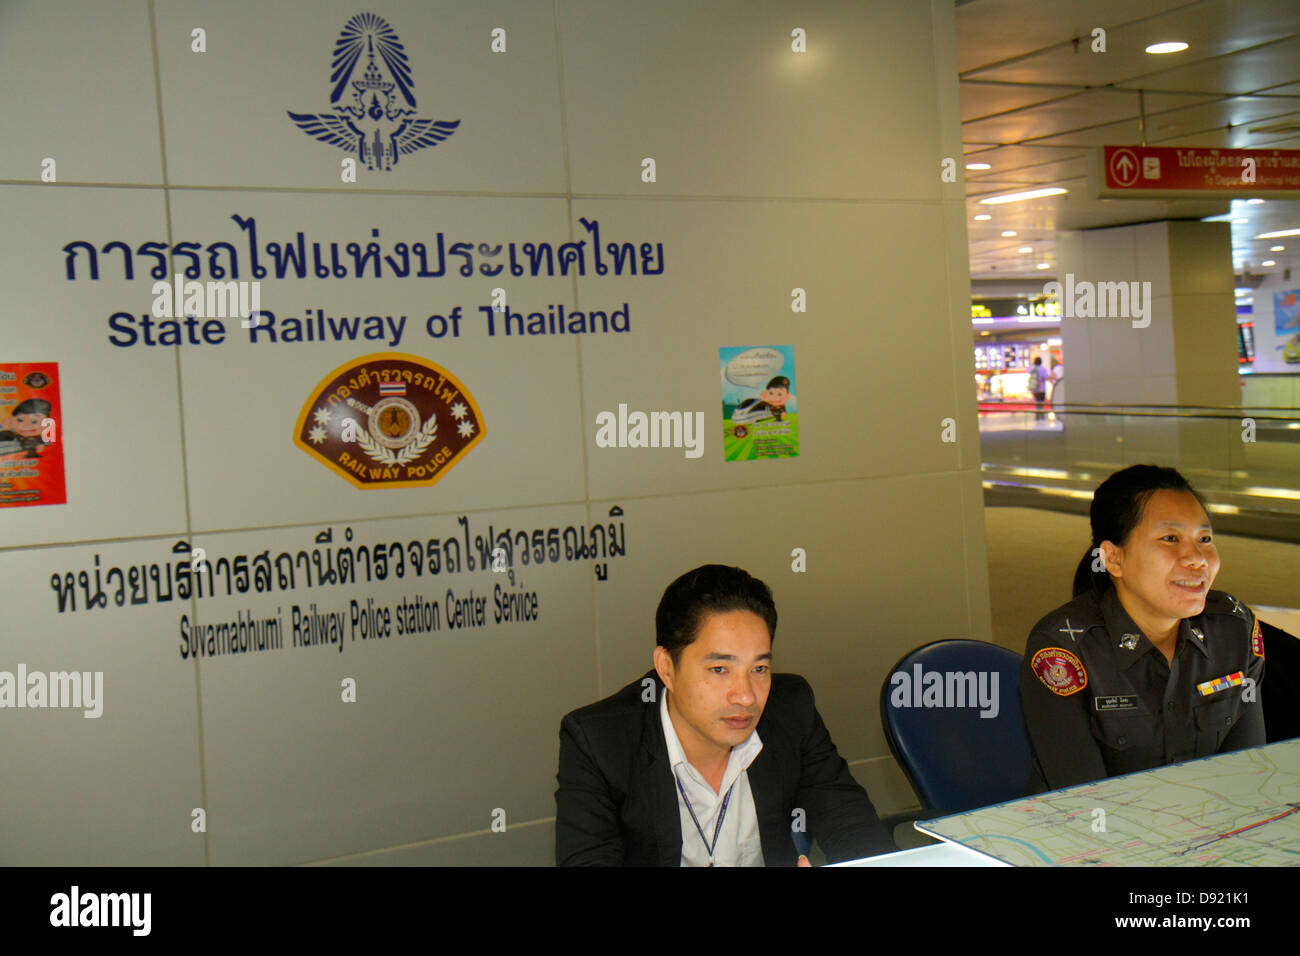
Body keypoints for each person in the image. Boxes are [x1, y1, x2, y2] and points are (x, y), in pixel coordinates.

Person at [555, 564, 891, 866]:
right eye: (719, 669)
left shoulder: (790, 710)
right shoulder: (599, 743)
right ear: (667, 669)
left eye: (759, 668)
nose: (745, 696)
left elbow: (854, 829)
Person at [1019, 465, 1265, 793]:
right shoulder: (1064, 651)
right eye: (1170, 539)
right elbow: (1085, 802)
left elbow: (1248, 773)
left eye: (1204, 539)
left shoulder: (1234, 629)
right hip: (1091, 833)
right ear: (1114, 559)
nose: (1197, 558)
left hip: (1207, 829)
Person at [1029, 356, 1047, 422]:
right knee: (1041, 403)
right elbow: (1046, 377)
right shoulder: (1043, 369)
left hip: (1035, 389)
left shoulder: (1032, 368)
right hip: (1042, 389)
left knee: (1037, 403)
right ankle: (1041, 417)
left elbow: (1027, 370)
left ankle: (1037, 417)